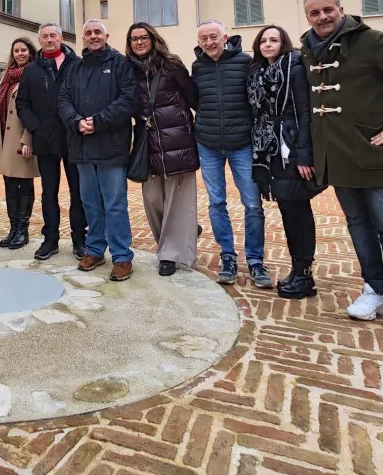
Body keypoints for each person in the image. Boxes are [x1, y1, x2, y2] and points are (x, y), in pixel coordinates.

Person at [301, 0, 383, 340]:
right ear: (308, 17)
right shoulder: (308, 51)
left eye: (328, 10)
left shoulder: (370, 41)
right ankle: (376, 290)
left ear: (341, 10)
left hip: (372, 150)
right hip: (337, 154)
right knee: (358, 224)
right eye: (315, 13)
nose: (322, 17)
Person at [57, 19, 137, 281]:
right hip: (81, 146)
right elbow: (63, 99)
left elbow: (127, 100)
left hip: (111, 147)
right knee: (90, 202)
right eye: (88, 33)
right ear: (83, 38)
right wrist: (75, 121)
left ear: (106, 35)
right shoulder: (76, 68)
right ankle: (95, 249)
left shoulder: (120, 64)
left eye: (97, 32)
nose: (93, 36)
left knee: (114, 203)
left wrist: (98, 122)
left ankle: (122, 256)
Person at [192, 20, 269, 287]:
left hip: (242, 144)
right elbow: (195, 99)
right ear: (199, 41)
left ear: (225, 36)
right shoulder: (197, 67)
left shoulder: (245, 62)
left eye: (214, 36)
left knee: (253, 203)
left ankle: (256, 261)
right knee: (216, 203)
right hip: (208, 143)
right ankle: (228, 257)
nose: (209, 42)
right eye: (204, 38)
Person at [247, 25, 319, 299]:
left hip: (289, 146)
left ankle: (304, 273)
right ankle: (298, 270)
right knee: (288, 210)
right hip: (268, 149)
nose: (267, 44)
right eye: (263, 40)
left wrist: (303, 153)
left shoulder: (294, 69)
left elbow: (304, 110)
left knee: (298, 210)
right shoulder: (257, 73)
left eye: (273, 40)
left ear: (283, 43)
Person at [125, 23, 200, 277]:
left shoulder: (172, 65)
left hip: (177, 140)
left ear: (153, 39)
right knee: (153, 200)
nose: (139, 42)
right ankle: (178, 236)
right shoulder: (127, 71)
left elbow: (193, 98)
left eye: (143, 37)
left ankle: (170, 254)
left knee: (178, 201)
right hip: (148, 144)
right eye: (134, 39)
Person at [16, 22, 87, 260]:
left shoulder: (77, 64)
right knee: (49, 192)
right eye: (44, 36)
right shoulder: (32, 70)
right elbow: (22, 104)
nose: (49, 40)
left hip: (73, 137)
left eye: (53, 36)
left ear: (61, 37)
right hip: (45, 140)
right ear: (40, 40)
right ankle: (51, 240)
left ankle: (79, 240)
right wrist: (35, 127)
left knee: (77, 191)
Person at [0, 38, 39, 249]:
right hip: (4, 138)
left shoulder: (35, 73)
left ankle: (23, 229)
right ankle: (13, 228)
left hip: (22, 138)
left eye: (24, 50)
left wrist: (28, 138)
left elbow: (37, 109)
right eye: (16, 50)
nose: (20, 53)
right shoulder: (7, 77)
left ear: (30, 52)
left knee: (25, 184)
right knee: (9, 184)